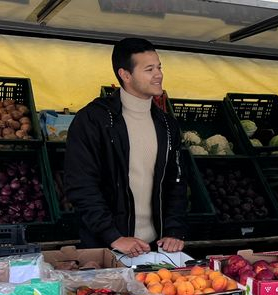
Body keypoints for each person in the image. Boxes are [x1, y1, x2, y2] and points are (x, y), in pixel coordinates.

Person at [65, 37, 187, 255]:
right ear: (125, 75)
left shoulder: (168, 125)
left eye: (159, 67)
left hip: (154, 249)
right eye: (149, 69)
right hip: (105, 248)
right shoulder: (93, 120)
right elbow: (81, 184)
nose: (158, 74)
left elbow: (175, 183)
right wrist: (113, 236)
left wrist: (173, 231)